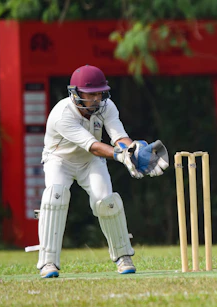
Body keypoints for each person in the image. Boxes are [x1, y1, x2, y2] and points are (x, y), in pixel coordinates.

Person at [32, 65, 169, 278]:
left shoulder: (106, 106)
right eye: (91, 93)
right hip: (60, 160)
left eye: (100, 92)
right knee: (55, 196)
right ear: (75, 93)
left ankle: (123, 257)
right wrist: (120, 155)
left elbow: (119, 137)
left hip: (90, 162)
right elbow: (92, 144)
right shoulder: (62, 114)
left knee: (107, 201)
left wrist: (132, 151)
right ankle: (48, 262)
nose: (97, 98)